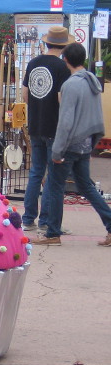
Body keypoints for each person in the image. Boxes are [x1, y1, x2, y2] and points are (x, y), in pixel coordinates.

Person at [33, 43, 111, 247]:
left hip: (70, 144)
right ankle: (110, 225)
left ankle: (52, 232)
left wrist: (58, 150)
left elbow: (66, 121)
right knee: (86, 186)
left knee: (56, 187)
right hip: (86, 143)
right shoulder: (92, 80)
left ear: (65, 59)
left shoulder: (70, 85)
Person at [21, 26, 73, 232]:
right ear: (63, 46)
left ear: (46, 42)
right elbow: (62, 97)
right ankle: (45, 220)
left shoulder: (33, 63)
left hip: (35, 123)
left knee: (35, 172)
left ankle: (27, 218)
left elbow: (25, 94)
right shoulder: (62, 68)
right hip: (54, 125)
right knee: (52, 174)